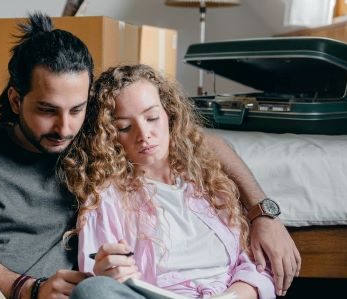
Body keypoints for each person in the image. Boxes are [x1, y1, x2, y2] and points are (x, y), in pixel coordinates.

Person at [0, 13, 298, 299]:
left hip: (77, 295)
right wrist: (29, 288)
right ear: (15, 98)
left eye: (77, 109)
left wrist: (264, 212)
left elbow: (197, 141)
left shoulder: (95, 143)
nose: (63, 127)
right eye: (46, 110)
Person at [60, 64, 275, 299]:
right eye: (124, 127)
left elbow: (257, 266)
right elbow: (99, 279)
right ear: (108, 135)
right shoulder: (105, 197)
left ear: (169, 114)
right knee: (92, 290)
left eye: (152, 117)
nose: (143, 135)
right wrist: (106, 271)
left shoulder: (211, 177)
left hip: (228, 295)